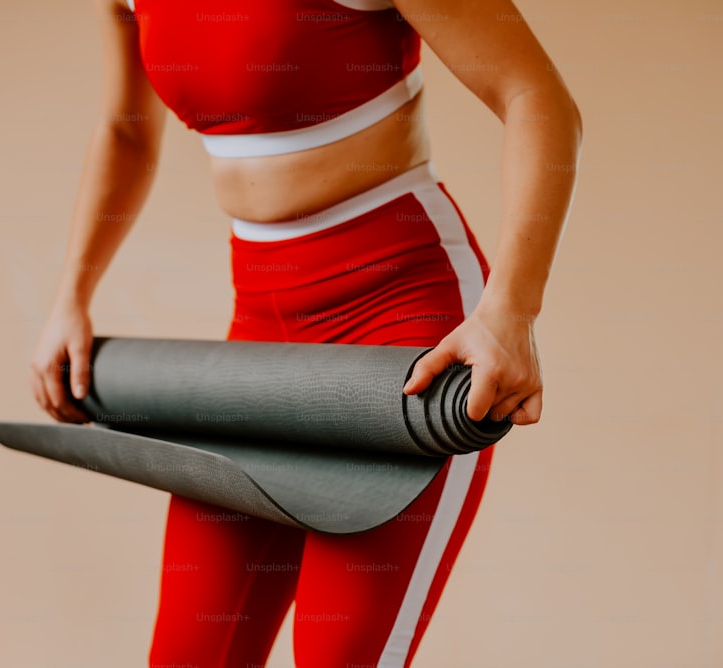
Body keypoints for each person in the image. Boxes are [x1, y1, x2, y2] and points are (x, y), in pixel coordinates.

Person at [29, 0, 582, 665]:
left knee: (337, 654)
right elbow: (126, 130)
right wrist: (71, 298)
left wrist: (512, 312)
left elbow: (537, 96)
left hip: (402, 335)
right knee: (190, 653)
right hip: (260, 345)